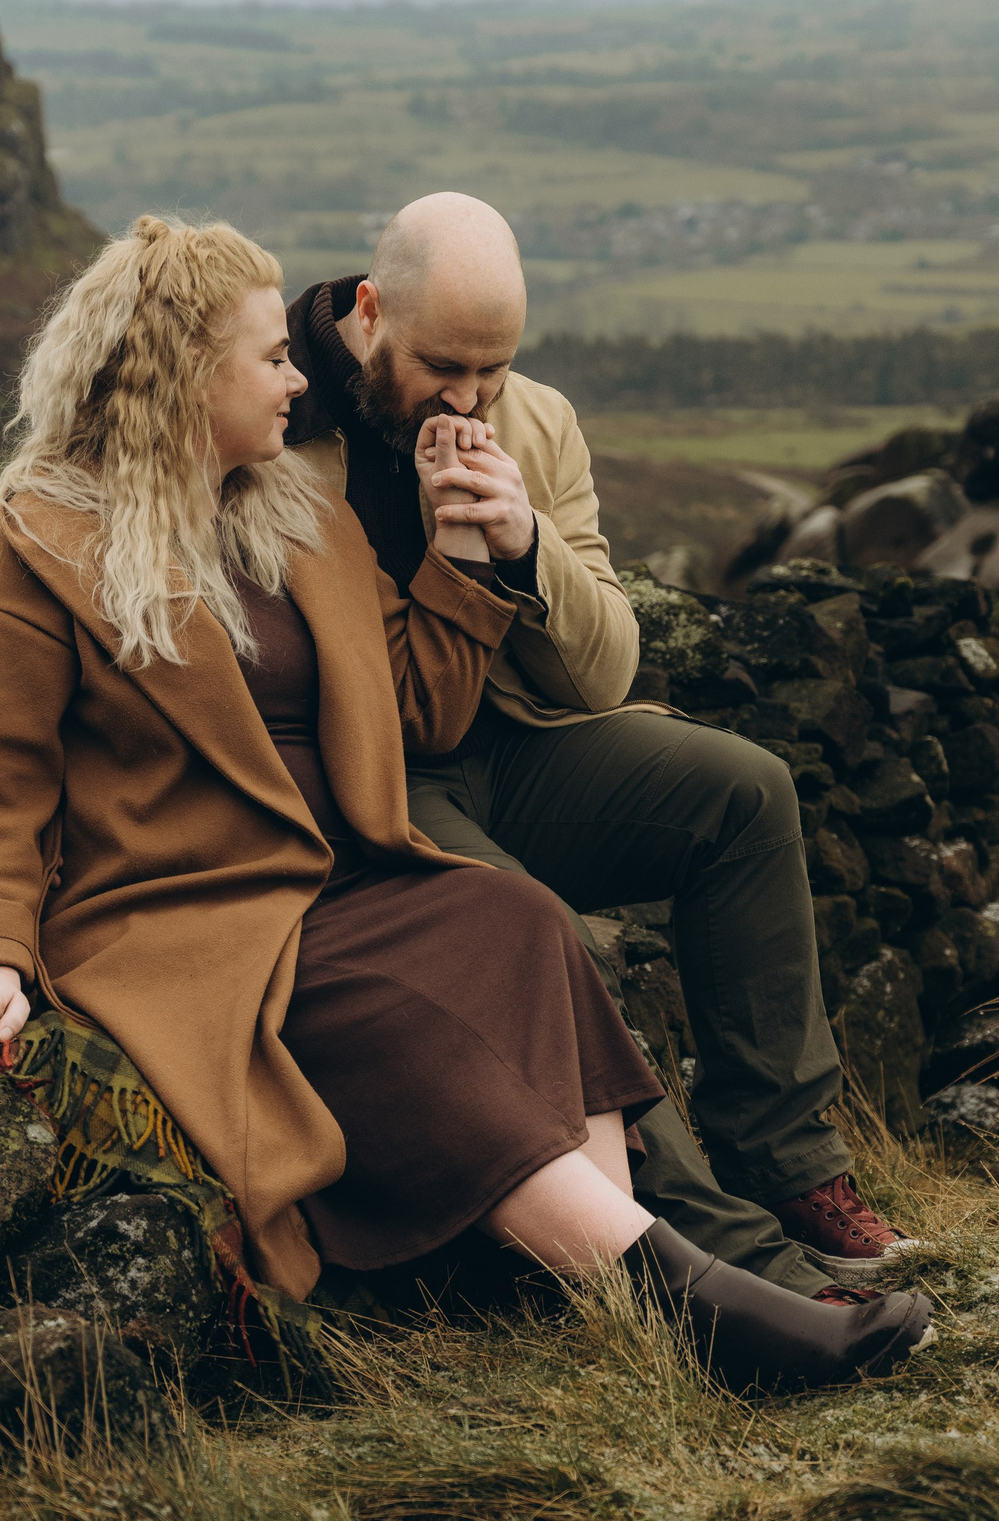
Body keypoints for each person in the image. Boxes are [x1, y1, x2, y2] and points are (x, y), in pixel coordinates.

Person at [0, 214, 933, 1390]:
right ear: (185, 375)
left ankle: (629, 1295)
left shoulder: (296, 513)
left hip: (346, 874)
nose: (297, 378)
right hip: (195, 914)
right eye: (270, 357)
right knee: (402, 1021)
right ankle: (706, 1310)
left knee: (518, 920)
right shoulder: (37, 548)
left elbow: (418, 710)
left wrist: (465, 552)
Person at [282, 193, 915, 1300]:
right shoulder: (275, 423)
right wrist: (446, 564)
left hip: (518, 744)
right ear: (370, 311)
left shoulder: (538, 421)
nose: (468, 397)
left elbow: (604, 673)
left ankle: (789, 1170)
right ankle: (712, 1249)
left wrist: (524, 545)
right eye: (442, 366)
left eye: (493, 368)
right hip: (367, 777)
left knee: (745, 794)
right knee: (534, 926)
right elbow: (367, 704)